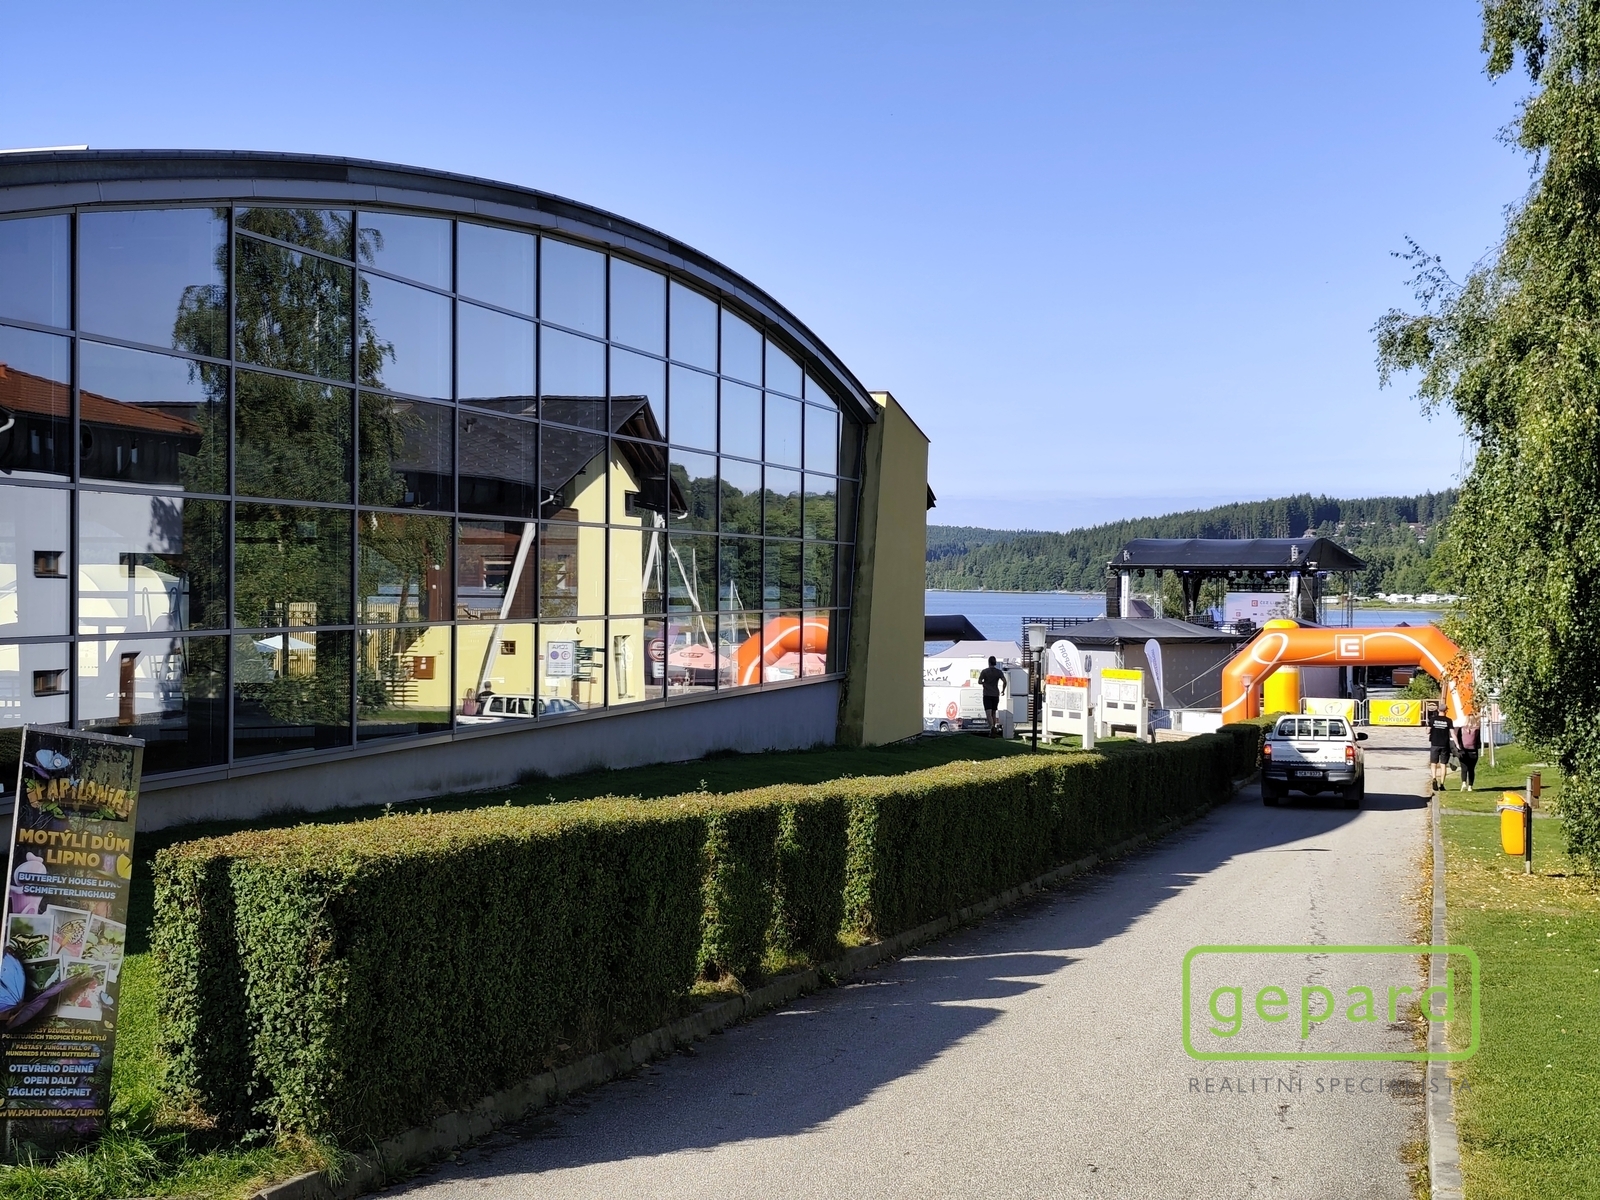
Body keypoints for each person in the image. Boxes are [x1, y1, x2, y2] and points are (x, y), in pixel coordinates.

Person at [1425, 700, 1454, 792]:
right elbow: (1452, 733)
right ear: (1446, 710)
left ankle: (1434, 778)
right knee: (1443, 764)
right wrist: (1457, 744)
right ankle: (1442, 784)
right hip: (1444, 744)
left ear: (1438, 710)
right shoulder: (1449, 720)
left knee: (1433, 763)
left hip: (1434, 743)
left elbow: (1428, 732)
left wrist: (1427, 728)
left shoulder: (1433, 719)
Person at [977, 656, 1008, 738]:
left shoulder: (984, 671)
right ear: (995, 663)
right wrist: (1003, 690)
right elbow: (1005, 681)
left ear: (989, 662)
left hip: (987, 694)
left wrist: (984, 683)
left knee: (988, 713)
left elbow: (979, 681)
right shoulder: (999, 672)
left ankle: (992, 727)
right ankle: (993, 728)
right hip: (995, 694)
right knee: (993, 713)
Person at [1455, 716, 1480, 791]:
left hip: (1464, 751)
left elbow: (1458, 740)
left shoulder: (1461, 729)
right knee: (1471, 769)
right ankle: (1470, 786)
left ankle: (1463, 783)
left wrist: (1459, 749)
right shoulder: (1477, 730)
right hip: (1473, 751)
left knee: (1464, 768)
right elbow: (1478, 742)